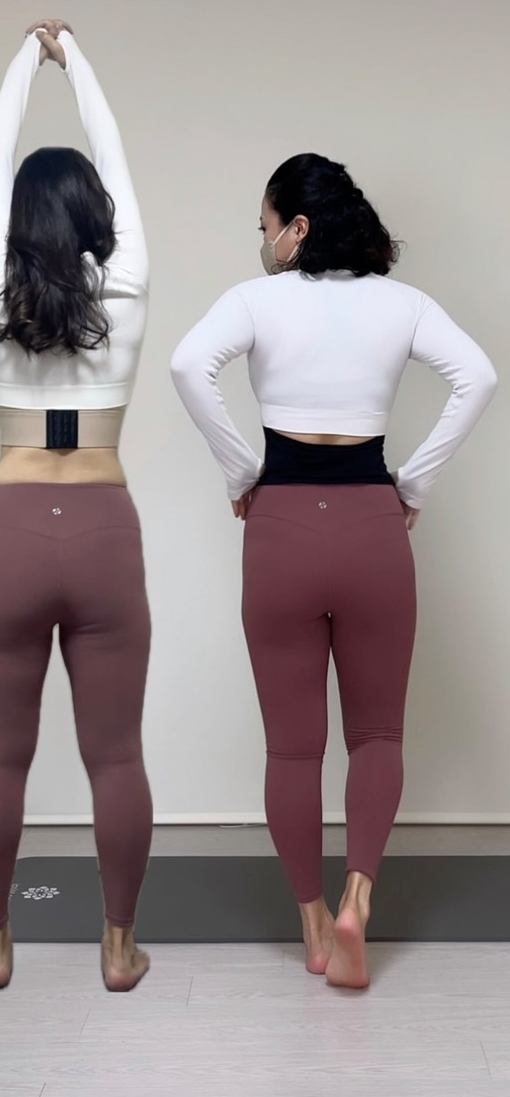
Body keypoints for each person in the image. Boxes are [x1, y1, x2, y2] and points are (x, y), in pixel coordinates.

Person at [171, 153, 497, 990]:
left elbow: (186, 366)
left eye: (264, 226)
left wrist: (242, 473)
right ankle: (358, 899)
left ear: (297, 229)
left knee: (292, 748)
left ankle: (314, 926)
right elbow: (479, 376)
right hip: (372, 530)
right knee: (377, 736)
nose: (262, 241)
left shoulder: (255, 300)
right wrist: (413, 485)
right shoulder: (403, 304)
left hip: (280, 528)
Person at [0, 19, 152, 992]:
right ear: (94, 214)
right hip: (106, 529)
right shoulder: (128, 287)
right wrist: (78, 59)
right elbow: (114, 157)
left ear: (16, 223)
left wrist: (20, 62)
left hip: (11, 527)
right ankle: (118, 948)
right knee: (115, 756)